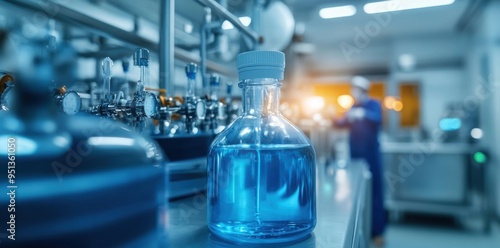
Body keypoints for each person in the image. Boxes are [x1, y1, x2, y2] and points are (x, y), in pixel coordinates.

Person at [334, 76, 386, 246]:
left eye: (356, 89)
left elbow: (378, 119)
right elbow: (340, 123)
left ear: (364, 90)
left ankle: (377, 232)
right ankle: (362, 230)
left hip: (371, 157)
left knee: (375, 193)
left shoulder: (373, 104)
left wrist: (363, 114)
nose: (353, 92)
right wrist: (332, 116)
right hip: (355, 157)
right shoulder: (352, 107)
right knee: (358, 194)